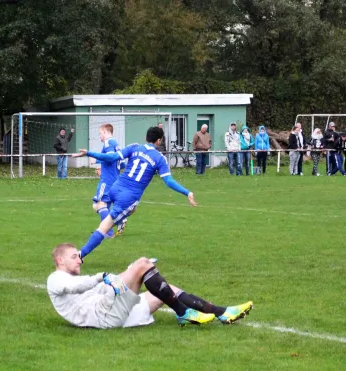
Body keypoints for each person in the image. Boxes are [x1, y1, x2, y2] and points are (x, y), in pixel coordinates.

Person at [47, 243, 253, 329]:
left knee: (165, 289)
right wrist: (101, 276)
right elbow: (77, 288)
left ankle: (221, 312)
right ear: (60, 261)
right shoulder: (56, 279)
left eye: (79, 256)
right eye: (74, 257)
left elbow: (104, 286)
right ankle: (183, 313)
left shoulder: (77, 280)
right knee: (142, 264)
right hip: (102, 315)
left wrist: (127, 272)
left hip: (110, 311)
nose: (79, 260)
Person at [75, 127, 196, 258]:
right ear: (159, 141)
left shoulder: (134, 147)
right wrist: (187, 192)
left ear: (146, 138)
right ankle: (79, 255)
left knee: (101, 205)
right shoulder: (159, 158)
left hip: (115, 187)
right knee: (104, 227)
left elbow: (113, 157)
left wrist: (89, 153)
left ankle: (122, 217)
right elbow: (168, 181)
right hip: (128, 197)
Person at [71, 123, 123, 238]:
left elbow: (110, 158)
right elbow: (119, 162)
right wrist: (101, 165)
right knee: (105, 206)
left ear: (105, 132)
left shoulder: (108, 142)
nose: (100, 136)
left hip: (107, 181)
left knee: (98, 205)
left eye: (100, 133)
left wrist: (88, 153)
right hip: (114, 179)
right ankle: (106, 230)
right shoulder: (116, 144)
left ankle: (113, 228)